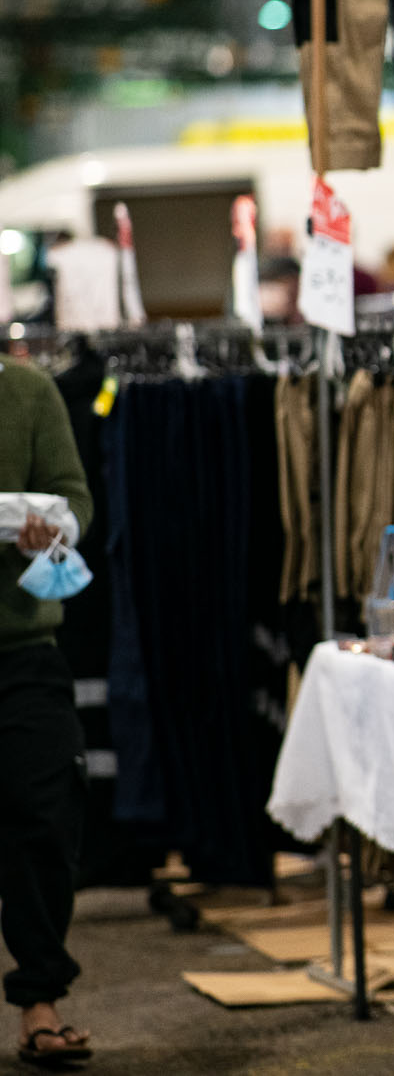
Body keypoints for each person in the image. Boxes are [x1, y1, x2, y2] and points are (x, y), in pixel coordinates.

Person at [0, 356, 94, 1069]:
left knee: (44, 813)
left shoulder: (27, 391)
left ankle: (41, 998)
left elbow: (73, 499)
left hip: (23, 644)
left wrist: (50, 527)